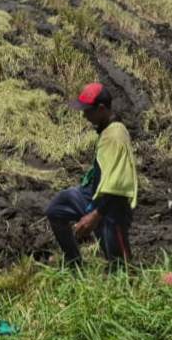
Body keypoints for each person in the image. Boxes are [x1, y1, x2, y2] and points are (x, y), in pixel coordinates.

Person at [45, 82, 138, 269]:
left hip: (111, 206)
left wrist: (95, 215)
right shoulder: (107, 126)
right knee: (56, 209)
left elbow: (118, 185)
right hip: (93, 194)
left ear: (101, 108)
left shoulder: (115, 137)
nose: (84, 114)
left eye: (88, 110)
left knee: (121, 268)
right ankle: (74, 264)